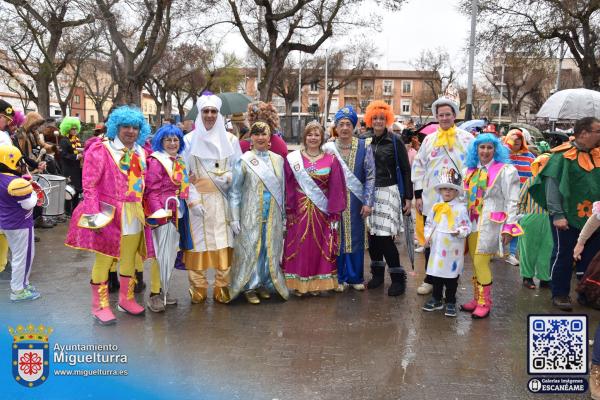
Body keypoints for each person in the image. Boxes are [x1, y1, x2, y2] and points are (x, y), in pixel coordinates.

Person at [65, 106, 154, 325]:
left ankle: (126, 299)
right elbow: (90, 184)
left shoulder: (141, 152)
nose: (131, 131)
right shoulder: (101, 149)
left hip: (134, 213)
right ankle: (100, 305)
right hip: (109, 213)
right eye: (126, 126)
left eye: (135, 127)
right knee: (103, 260)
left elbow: (145, 185)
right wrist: (94, 214)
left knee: (129, 258)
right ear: (116, 127)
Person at [529, 117, 600, 311]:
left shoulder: (598, 154)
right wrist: (557, 214)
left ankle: (587, 293)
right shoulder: (560, 156)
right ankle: (559, 293)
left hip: (594, 219)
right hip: (566, 217)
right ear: (584, 133)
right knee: (564, 255)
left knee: (592, 257)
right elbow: (552, 188)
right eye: (598, 131)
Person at [183, 91, 242, 304]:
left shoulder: (231, 139)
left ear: (219, 114)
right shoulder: (188, 140)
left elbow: (239, 168)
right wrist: (193, 200)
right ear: (200, 113)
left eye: (214, 111)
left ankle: (222, 286)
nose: (209, 115)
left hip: (222, 199)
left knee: (223, 242)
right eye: (206, 111)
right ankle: (198, 287)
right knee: (198, 244)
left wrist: (229, 177)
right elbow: (183, 174)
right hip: (197, 202)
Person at [411, 97, 473, 295]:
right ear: (436, 117)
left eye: (448, 114)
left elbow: (474, 165)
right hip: (432, 199)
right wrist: (418, 195)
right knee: (431, 237)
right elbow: (418, 166)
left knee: (454, 238)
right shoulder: (429, 140)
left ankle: (452, 278)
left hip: (458, 200)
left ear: (454, 115)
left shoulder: (467, 139)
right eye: (441, 115)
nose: (444, 118)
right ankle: (430, 278)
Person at [461, 133, 523, 319]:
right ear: (476, 150)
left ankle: (484, 302)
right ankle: (476, 298)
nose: (485, 151)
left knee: (481, 262)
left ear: (496, 150)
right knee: (475, 261)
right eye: (482, 147)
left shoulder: (506, 170)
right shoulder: (469, 171)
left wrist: (509, 226)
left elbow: (512, 200)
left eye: (489, 147)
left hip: (491, 223)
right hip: (471, 222)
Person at [228, 121, 289, 304]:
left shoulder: (278, 160)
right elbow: (235, 191)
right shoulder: (244, 160)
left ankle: (263, 282)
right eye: (257, 134)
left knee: (268, 248)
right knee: (251, 249)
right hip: (250, 214)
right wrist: (234, 217)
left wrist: (284, 215)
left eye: (264, 134)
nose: (261, 138)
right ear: (251, 138)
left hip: (272, 215)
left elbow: (283, 189)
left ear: (270, 137)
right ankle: (248, 286)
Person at [283, 121, 347, 296]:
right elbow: (288, 185)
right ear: (304, 137)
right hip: (299, 210)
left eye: (316, 135)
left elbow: (336, 188)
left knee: (319, 247)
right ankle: (300, 284)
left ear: (322, 138)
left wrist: (334, 213)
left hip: (322, 212)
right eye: (310, 135)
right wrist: (289, 209)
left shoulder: (331, 160)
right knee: (300, 246)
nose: (313, 138)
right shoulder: (293, 159)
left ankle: (317, 283)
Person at [322, 106, 375, 292]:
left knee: (356, 237)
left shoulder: (364, 146)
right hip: (334, 202)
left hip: (356, 201)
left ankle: (355, 277)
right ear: (336, 126)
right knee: (336, 237)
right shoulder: (327, 149)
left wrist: (368, 202)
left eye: (348, 124)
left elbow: (370, 175)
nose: (344, 128)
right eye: (341, 124)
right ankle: (339, 277)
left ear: (354, 126)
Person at [364, 100, 413, 296]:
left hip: (388, 191)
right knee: (372, 237)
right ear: (370, 119)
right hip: (369, 193)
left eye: (381, 118)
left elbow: (406, 169)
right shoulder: (365, 140)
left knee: (385, 238)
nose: (378, 121)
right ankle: (377, 275)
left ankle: (398, 278)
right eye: (374, 118)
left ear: (387, 120)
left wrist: (408, 197)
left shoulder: (395, 140)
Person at [143, 124, 190, 312]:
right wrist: (157, 212)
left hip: (176, 210)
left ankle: (163, 290)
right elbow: (151, 190)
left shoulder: (178, 160)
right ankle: (154, 294)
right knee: (159, 254)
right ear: (160, 142)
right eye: (168, 139)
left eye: (176, 139)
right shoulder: (156, 161)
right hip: (161, 211)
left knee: (169, 253)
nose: (172, 143)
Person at [422, 167, 470, 317]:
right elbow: (429, 223)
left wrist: (460, 232)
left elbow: (466, 226)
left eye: (450, 189)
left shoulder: (460, 209)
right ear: (440, 191)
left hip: (453, 249)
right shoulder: (436, 207)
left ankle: (450, 300)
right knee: (436, 275)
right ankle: (436, 298)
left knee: (451, 277)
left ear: (456, 191)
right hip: (437, 248)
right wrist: (427, 237)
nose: (447, 192)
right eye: (444, 189)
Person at [0, 145, 39, 301]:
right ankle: (18, 291)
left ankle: (23, 283)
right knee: (23, 256)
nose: (22, 165)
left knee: (20, 255)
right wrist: (35, 193)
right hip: (20, 223)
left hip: (8, 223)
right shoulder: (15, 182)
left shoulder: (4, 178)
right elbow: (28, 204)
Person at [517, 143, 552, 289]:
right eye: (541, 165)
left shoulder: (556, 184)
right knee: (528, 249)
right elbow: (520, 200)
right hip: (531, 219)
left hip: (550, 220)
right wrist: (520, 217)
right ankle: (527, 277)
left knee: (548, 249)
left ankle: (545, 278)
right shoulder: (530, 181)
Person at [503, 128, 536, 266]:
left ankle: (511, 253)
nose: (515, 142)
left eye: (518, 140)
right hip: (504, 195)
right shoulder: (502, 155)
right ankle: (493, 250)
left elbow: (535, 173)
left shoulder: (529, 156)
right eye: (512, 139)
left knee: (516, 224)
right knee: (499, 223)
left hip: (522, 197)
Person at [59, 116, 84, 214]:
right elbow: (63, 155)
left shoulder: (76, 139)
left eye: (75, 128)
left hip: (77, 169)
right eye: (72, 128)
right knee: (69, 189)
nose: (74, 130)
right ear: (67, 128)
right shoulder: (64, 140)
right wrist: (76, 157)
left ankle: (75, 210)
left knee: (77, 190)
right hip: (69, 169)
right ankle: (68, 211)